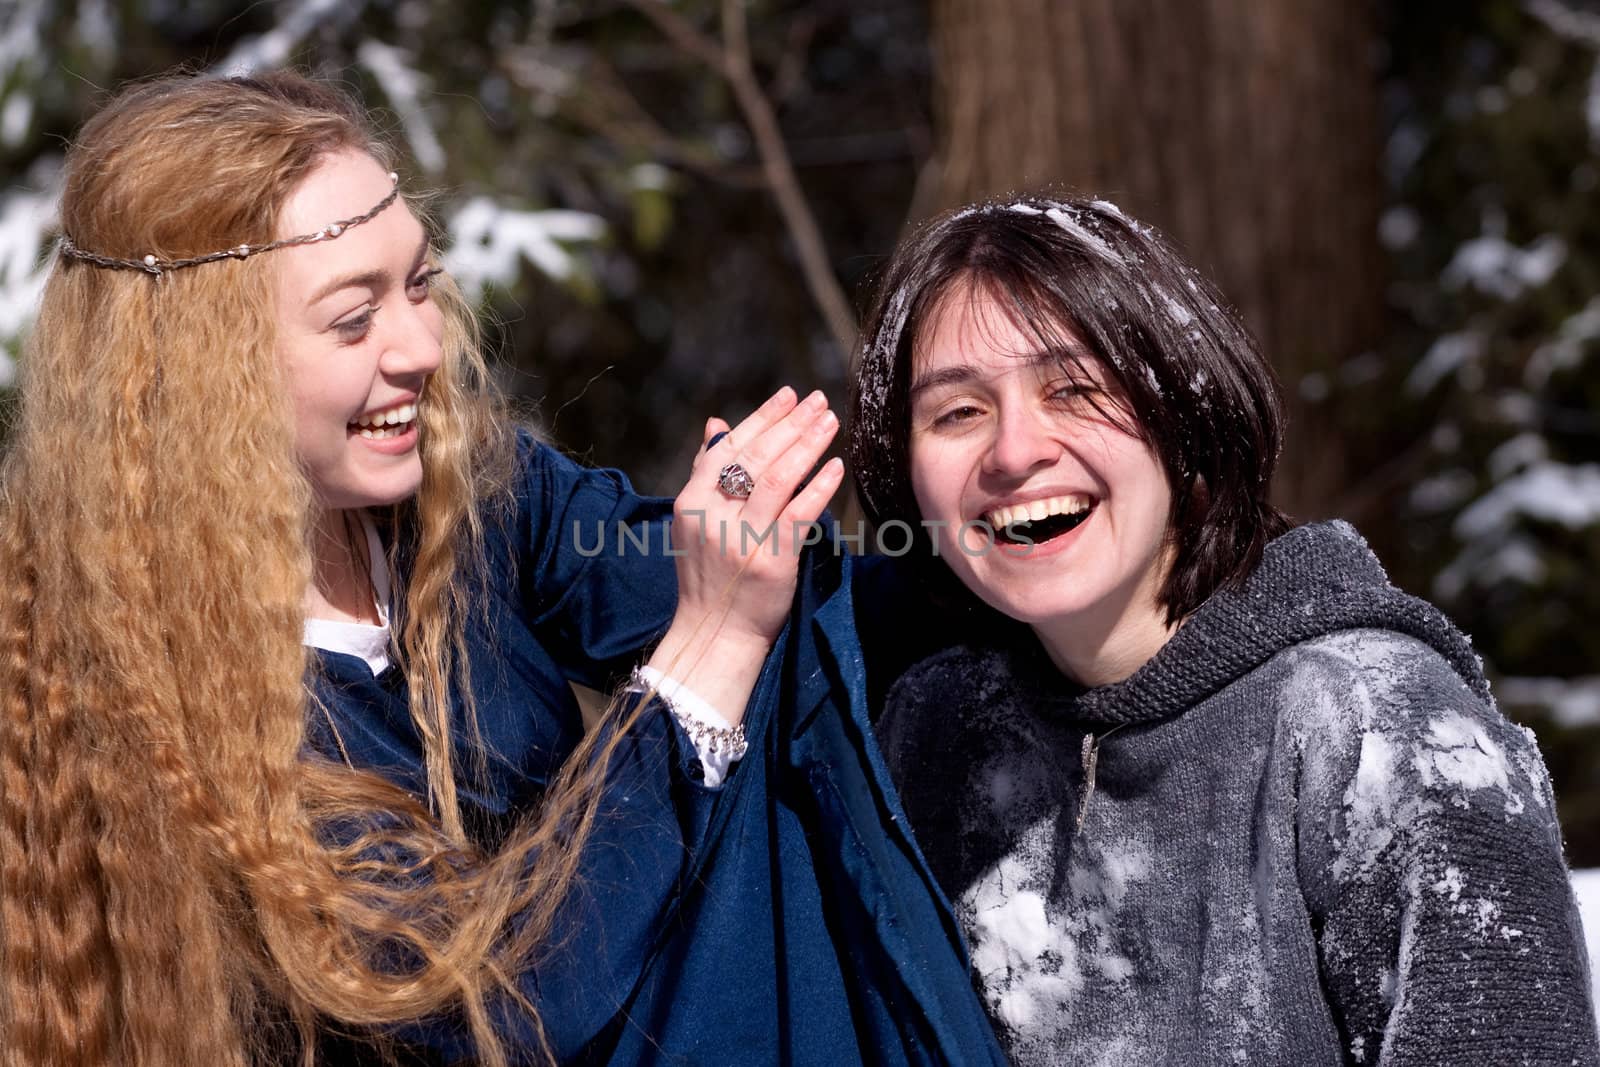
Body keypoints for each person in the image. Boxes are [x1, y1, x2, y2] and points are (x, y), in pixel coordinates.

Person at [0, 69, 961, 1067]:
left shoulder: (454, 503)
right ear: (200, 372)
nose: (420, 342)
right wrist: (706, 650)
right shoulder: (167, 714)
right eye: (351, 318)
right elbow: (497, 1001)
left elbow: (756, 596)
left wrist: (992, 557)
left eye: (417, 281)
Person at [846, 195, 1600, 1064]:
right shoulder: (931, 735)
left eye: (1075, 388)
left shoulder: (1378, 732)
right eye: (957, 412)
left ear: (1182, 413)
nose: (1015, 452)